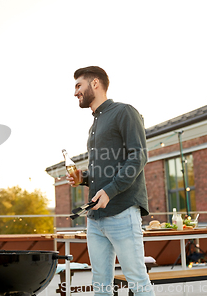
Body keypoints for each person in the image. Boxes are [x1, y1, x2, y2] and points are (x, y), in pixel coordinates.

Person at [68, 66, 154, 295]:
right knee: (100, 284)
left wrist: (110, 191)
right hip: (95, 218)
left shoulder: (124, 112)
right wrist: (83, 178)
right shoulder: (94, 124)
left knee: (137, 279)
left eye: (79, 85)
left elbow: (139, 156)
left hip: (122, 211)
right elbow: (105, 169)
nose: (75, 92)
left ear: (95, 83)